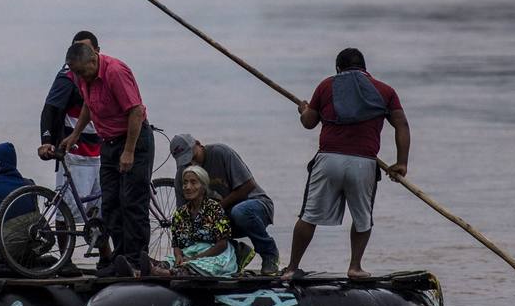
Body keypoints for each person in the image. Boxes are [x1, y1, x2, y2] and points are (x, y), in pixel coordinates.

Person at [283, 47, 410, 281]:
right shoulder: (385, 91)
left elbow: (309, 123)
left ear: (338, 68)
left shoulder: (326, 85)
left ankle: (291, 269)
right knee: (362, 218)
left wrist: (303, 110)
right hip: (364, 163)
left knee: (309, 215)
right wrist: (401, 163)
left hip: (328, 160)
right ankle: (355, 267)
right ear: (364, 68)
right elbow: (402, 125)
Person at [57, 40, 153, 276]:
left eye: (82, 71)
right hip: (108, 143)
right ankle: (118, 260)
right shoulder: (82, 77)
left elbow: (136, 111)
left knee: (131, 201)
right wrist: (74, 135)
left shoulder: (115, 72)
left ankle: (135, 261)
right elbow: (88, 107)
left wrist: (129, 150)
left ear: (93, 59)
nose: (80, 77)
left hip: (133, 139)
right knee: (110, 204)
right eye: (76, 73)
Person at [169, 133, 280, 275]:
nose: (191, 162)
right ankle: (235, 251)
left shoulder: (220, 153)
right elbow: (183, 216)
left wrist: (216, 208)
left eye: (192, 156)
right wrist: (180, 254)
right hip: (218, 217)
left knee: (239, 212)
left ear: (198, 144)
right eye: (185, 161)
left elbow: (248, 185)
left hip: (252, 206)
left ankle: (269, 254)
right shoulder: (182, 175)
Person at [37, 30, 103, 227]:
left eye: (85, 49)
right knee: (66, 210)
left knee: (101, 209)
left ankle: (105, 255)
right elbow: (50, 109)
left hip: (101, 152)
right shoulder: (68, 77)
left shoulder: (103, 73)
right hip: (76, 154)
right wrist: (46, 141)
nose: (80, 53)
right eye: (76, 49)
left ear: (97, 51)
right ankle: (65, 257)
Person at [150, 166, 251, 277]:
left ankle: (170, 273)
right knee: (169, 261)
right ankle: (159, 270)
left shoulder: (214, 209)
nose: (188, 187)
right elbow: (177, 244)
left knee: (200, 266)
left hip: (215, 255)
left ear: (203, 187)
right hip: (189, 254)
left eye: (193, 183)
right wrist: (178, 255)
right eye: (185, 183)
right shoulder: (179, 214)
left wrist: (195, 258)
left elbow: (222, 245)